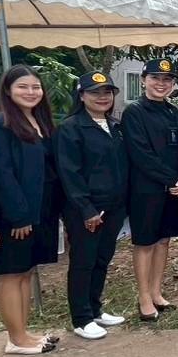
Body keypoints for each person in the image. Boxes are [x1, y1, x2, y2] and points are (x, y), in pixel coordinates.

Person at [0, 65, 63, 354]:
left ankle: (23, 333)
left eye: (35, 87)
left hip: (41, 209)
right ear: (8, 90)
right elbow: (0, 174)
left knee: (26, 272)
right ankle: (16, 339)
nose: (31, 92)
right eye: (23, 87)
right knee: (12, 274)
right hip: (16, 215)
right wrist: (18, 215)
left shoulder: (40, 122)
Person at [57, 72, 131, 337]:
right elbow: (69, 173)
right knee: (83, 261)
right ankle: (81, 318)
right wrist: (86, 209)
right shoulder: (71, 128)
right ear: (81, 96)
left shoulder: (115, 126)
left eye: (107, 92)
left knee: (102, 258)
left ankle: (95, 309)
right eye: (94, 92)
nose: (102, 97)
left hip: (113, 207)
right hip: (87, 209)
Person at [121, 57, 178, 320]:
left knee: (163, 241)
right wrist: (171, 179)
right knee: (145, 242)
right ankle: (144, 297)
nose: (161, 84)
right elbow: (141, 154)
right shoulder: (134, 112)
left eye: (167, 79)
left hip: (174, 190)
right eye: (155, 78)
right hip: (146, 190)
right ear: (143, 81)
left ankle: (157, 292)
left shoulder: (175, 113)